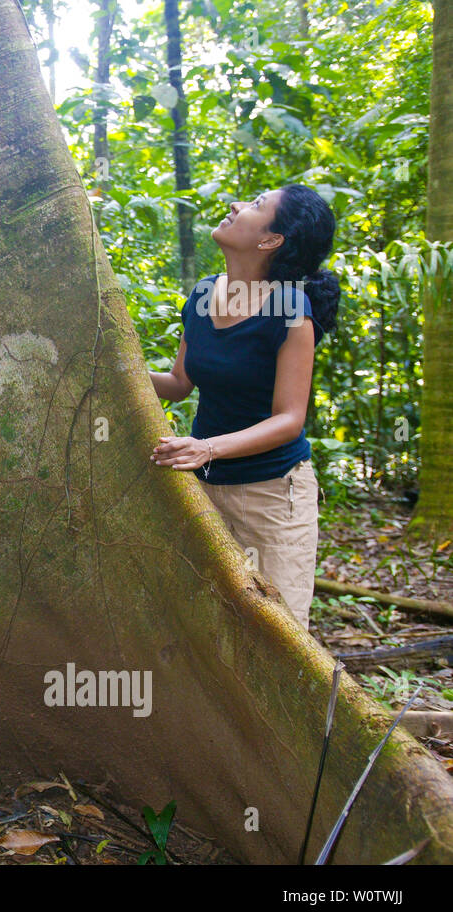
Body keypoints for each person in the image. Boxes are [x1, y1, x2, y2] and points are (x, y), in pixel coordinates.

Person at [149, 184, 341, 631]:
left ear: (271, 240)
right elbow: (178, 384)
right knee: (205, 627)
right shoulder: (201, 296)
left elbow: (290, 420)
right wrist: (117, 370)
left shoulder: (291, 307)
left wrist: (207, 448)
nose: (236, 206)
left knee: (277, 632)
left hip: (272, 498)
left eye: (256, 205)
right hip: (202, 491)